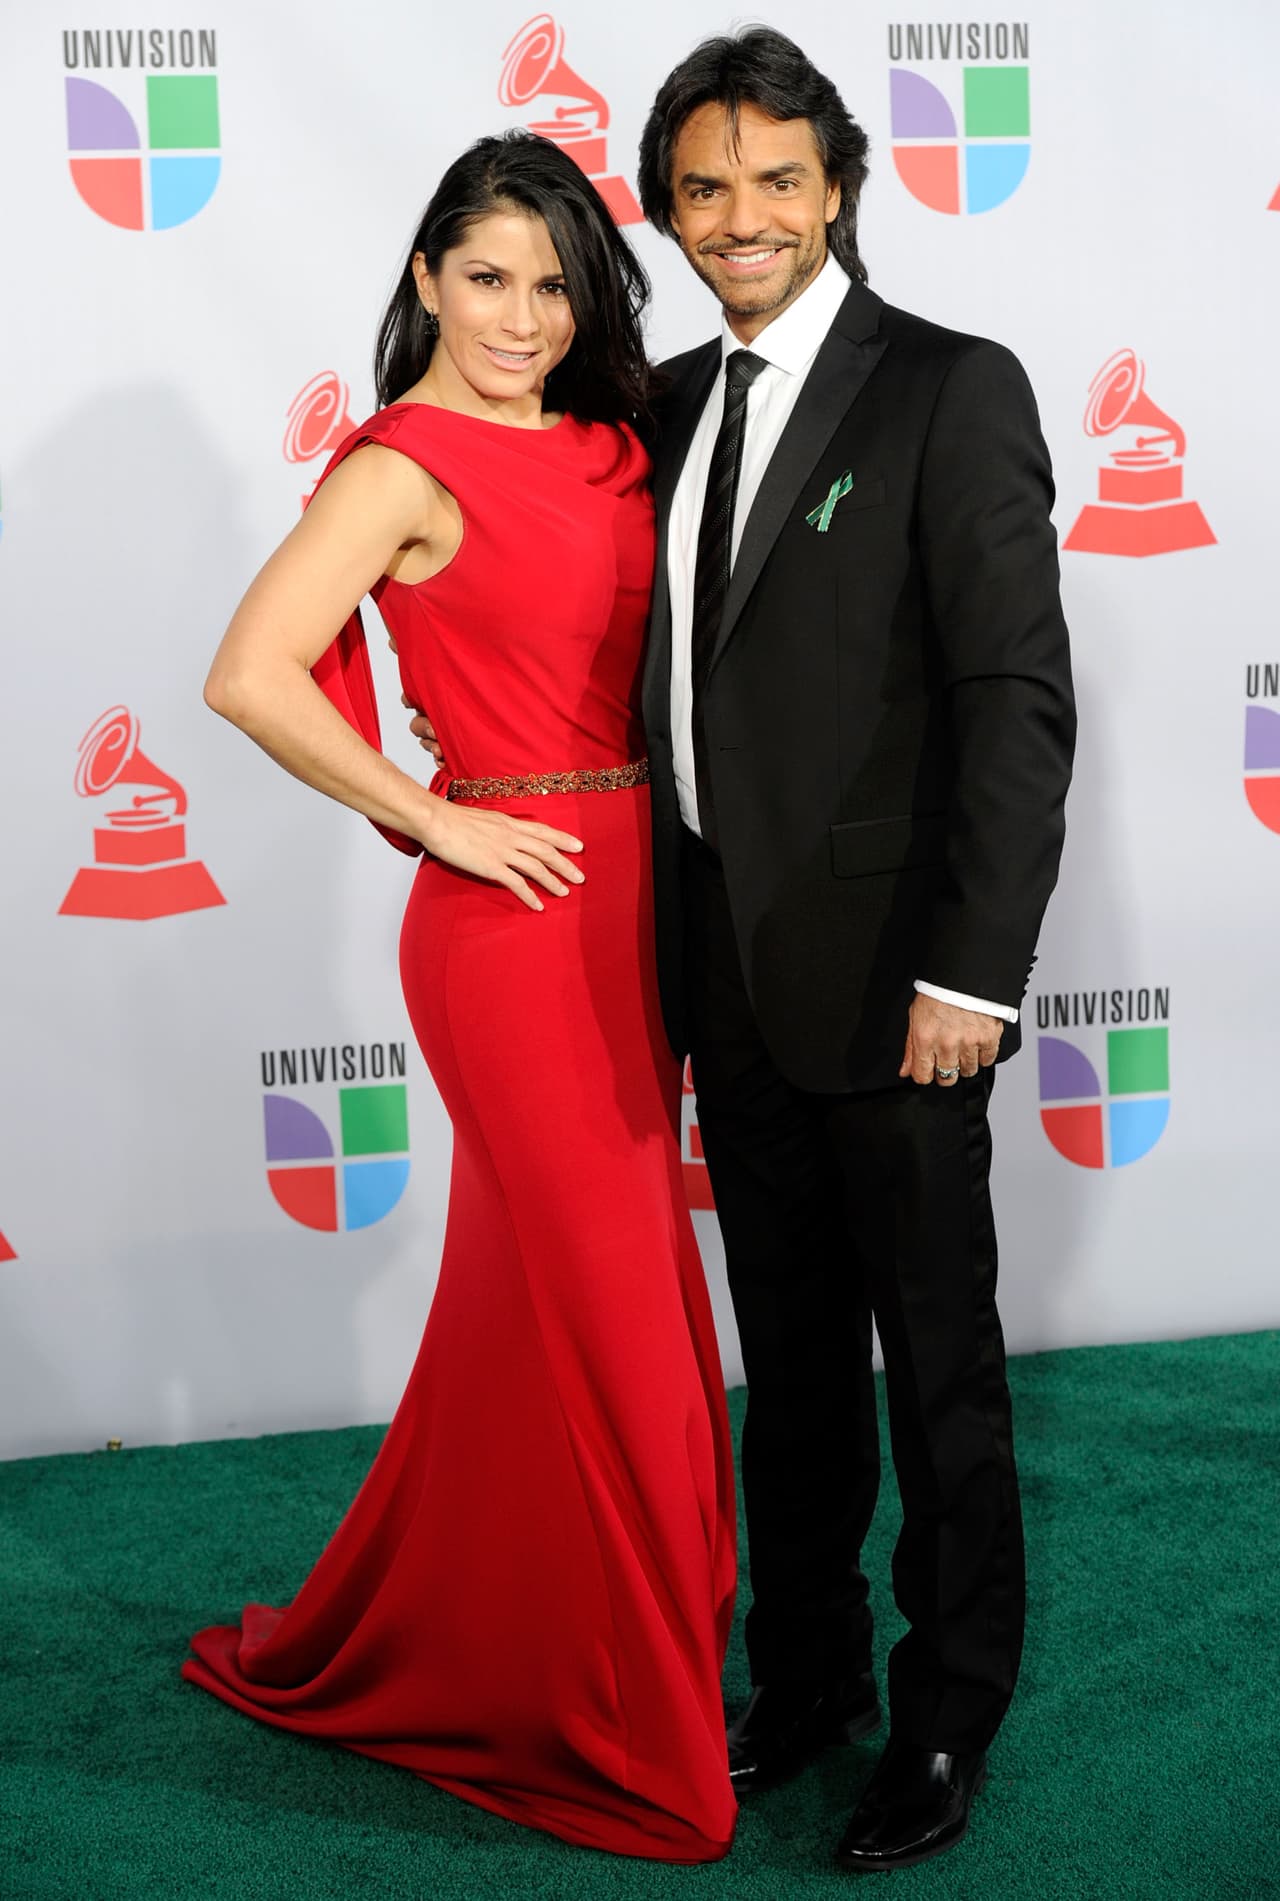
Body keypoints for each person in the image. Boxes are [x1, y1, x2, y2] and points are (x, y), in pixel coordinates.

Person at [417, 28, 1076, 1874]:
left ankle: (944, 1718)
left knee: (935, 1369)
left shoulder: (953, 387)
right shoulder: (669, 403)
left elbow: (1017, 698)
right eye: (703, 188)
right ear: (670, 209)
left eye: (777, 179)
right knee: (787, 1362)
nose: (741, 217)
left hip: (901, 990)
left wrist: (977, 971)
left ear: (841, 185)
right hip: (715, 979)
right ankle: (805, 1679)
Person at [181, 132, 737, 1865]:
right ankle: (644, 1742)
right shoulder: (401, 466)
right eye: (486, 277)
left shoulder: (611, 443)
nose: (520, 315)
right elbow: (249, 672)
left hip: (648, 899)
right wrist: (435, 816)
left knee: (571, 1306)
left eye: (556, 283)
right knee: (622, 1331)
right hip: (509, 930)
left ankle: (505, 1636)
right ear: (425, 276)